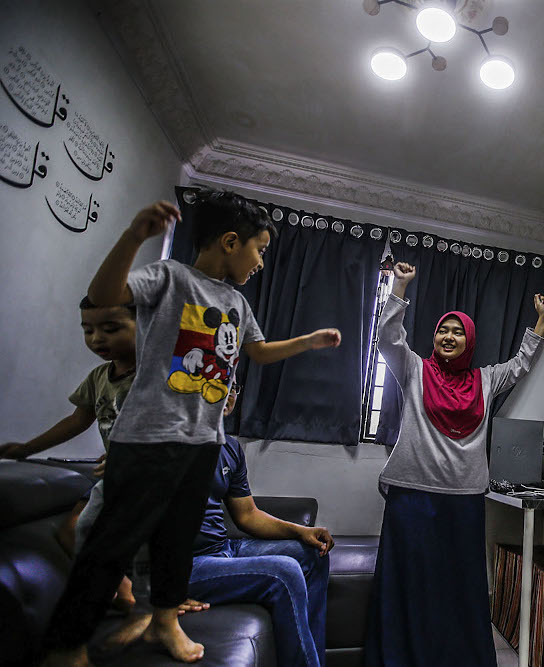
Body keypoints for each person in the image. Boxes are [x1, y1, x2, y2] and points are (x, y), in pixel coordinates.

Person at [43, 191, 342, 667]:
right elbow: (104, 297)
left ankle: (165, 620)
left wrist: (307, 341)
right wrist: (134, 236)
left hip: (204, 440)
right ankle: (65, 644)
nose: (261, 261)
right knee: (111, 544)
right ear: (230, 242)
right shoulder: (170, 277)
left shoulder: (238, 304)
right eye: (259, 249)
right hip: (147, 436)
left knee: (176, 541)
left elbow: (259, 353)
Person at [364, 261, 544, 667]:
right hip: (411, 499)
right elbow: (388, 339)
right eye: (442, 330)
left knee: (458, 589)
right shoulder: (414, 369)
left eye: (458, 332)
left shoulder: (485, 380)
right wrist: (399, 287)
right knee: (409, 587)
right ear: (434, 337)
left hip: (463, 501)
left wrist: (542, 321)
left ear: (470, 341)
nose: (449, 336)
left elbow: (521, 364)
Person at [106, 383, 333, 667]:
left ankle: (309, 658)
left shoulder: (229, 447)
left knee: (312, 554)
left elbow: (248, 515)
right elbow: (81, 524)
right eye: (215, 382)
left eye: (232, 385)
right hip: (184, 566)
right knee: (283, 572)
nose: (227, 392)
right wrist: (136, 595)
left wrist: (301, 531)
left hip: (223, 549)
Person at [0, 297, 138, 607]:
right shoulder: (99, 378)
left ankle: (144, 602)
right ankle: (123, 591)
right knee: (73, 529)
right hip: (112, 477)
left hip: (145, 474)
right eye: (88, 330)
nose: (97, 338)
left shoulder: (156, 377)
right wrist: (26, 448)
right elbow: (77, 421)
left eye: (110, 328)